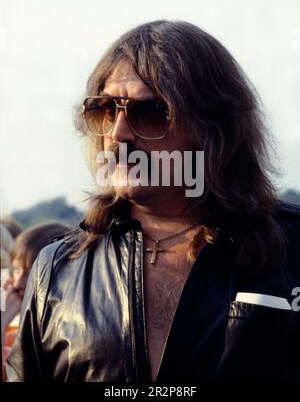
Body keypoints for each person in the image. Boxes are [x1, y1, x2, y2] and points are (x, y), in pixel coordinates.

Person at [6, 20, 300, 382]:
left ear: (213, 127)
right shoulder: (57, 270)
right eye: (106, 109)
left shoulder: (293, 251)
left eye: (148, 112)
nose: (118, 133)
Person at [1, 221, 70, 379]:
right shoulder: (10, 320)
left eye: (30, 273)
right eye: (17, 270)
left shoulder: (55, 329)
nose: (18, 282)